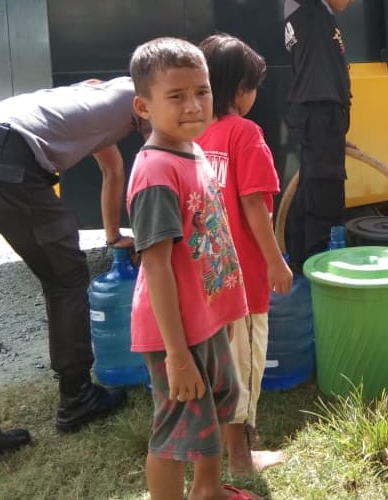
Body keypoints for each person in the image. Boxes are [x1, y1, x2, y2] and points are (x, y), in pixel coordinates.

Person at [0, 77, 138, 467]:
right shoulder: (140, 91)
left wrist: (112, 236)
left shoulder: (90, 101)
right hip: (2, 159)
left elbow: (112, 170)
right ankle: (77, 399)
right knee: (67, 278)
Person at [127, 37, 257, 500]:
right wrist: (177, 356)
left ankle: (208, 489)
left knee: (215, 406)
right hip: (175, 333)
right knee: (177, 426)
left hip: (207, 320)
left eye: (201, 92)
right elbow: (157, 267)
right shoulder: (157, 171)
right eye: (176, 96)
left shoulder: (193, 151)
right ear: (143, 106)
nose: (193, 105)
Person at [197, 33, 293, 475]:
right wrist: (276, 261)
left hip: (209, 281)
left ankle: (220, 449)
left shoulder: (200, 135)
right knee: (245, 366)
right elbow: (255, 206)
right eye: (254, 86)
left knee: (219, 367)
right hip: (246, 283)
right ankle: (241, 458)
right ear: (240, 89)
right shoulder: (246, 133)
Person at [282, 0, 364, 272]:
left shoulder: (321, 18)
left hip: (323, 123)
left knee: (310, 198)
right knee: (324, 207)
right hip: (317, 118)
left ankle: (304, 266)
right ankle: (320, 273)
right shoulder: (303, 2)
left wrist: (335, 135)